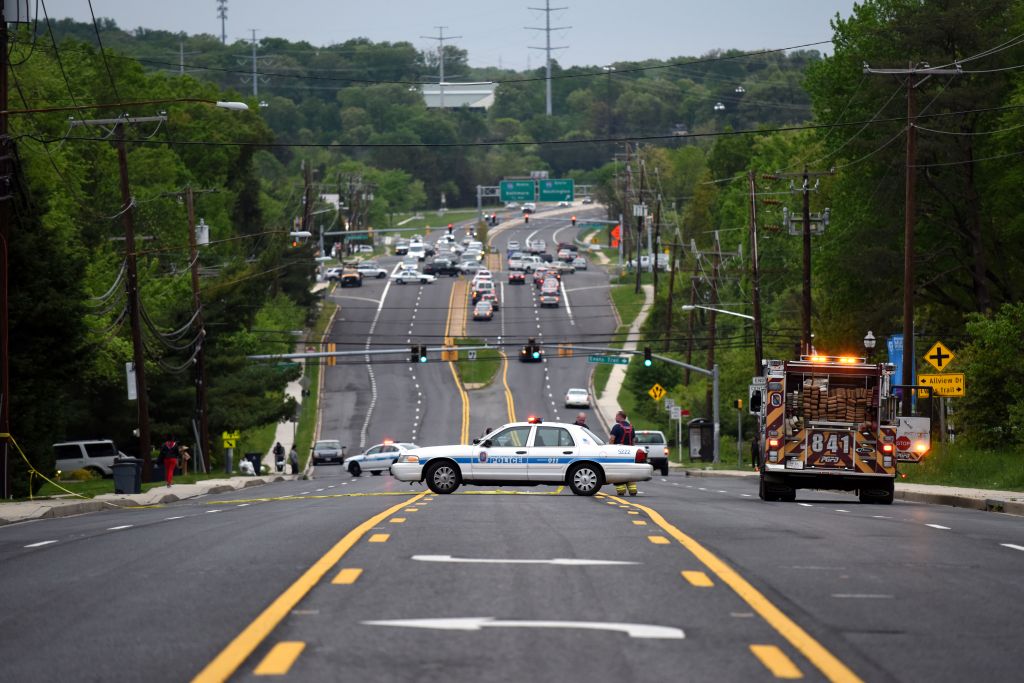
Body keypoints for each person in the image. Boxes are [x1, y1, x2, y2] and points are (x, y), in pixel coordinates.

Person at [608, 410, 638, 496]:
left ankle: (621, 491)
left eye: (616, 416)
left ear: (620, 417)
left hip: (618, 453)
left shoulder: (616, 427)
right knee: (630, 472)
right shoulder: (631, 427)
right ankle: (633, 490)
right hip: (629, 453)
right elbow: (633, 441)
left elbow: (612, 439)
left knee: (619, 472)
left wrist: (610, 448)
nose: (615, 417)